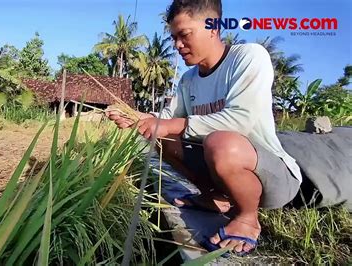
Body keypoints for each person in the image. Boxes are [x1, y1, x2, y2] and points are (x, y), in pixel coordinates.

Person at [105, 0, 303, 255]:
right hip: (224, 172)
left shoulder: (249, 57)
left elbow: (239, 120)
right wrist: (137, 119)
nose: (177, 45)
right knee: (162, 137)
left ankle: (247, 217)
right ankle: (216, 197)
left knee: (220, 143)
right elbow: (165, 118)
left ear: (213, 27)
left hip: (273, 179)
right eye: (174, 37)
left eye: (184, 35)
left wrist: (166, 124)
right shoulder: (188, 80)